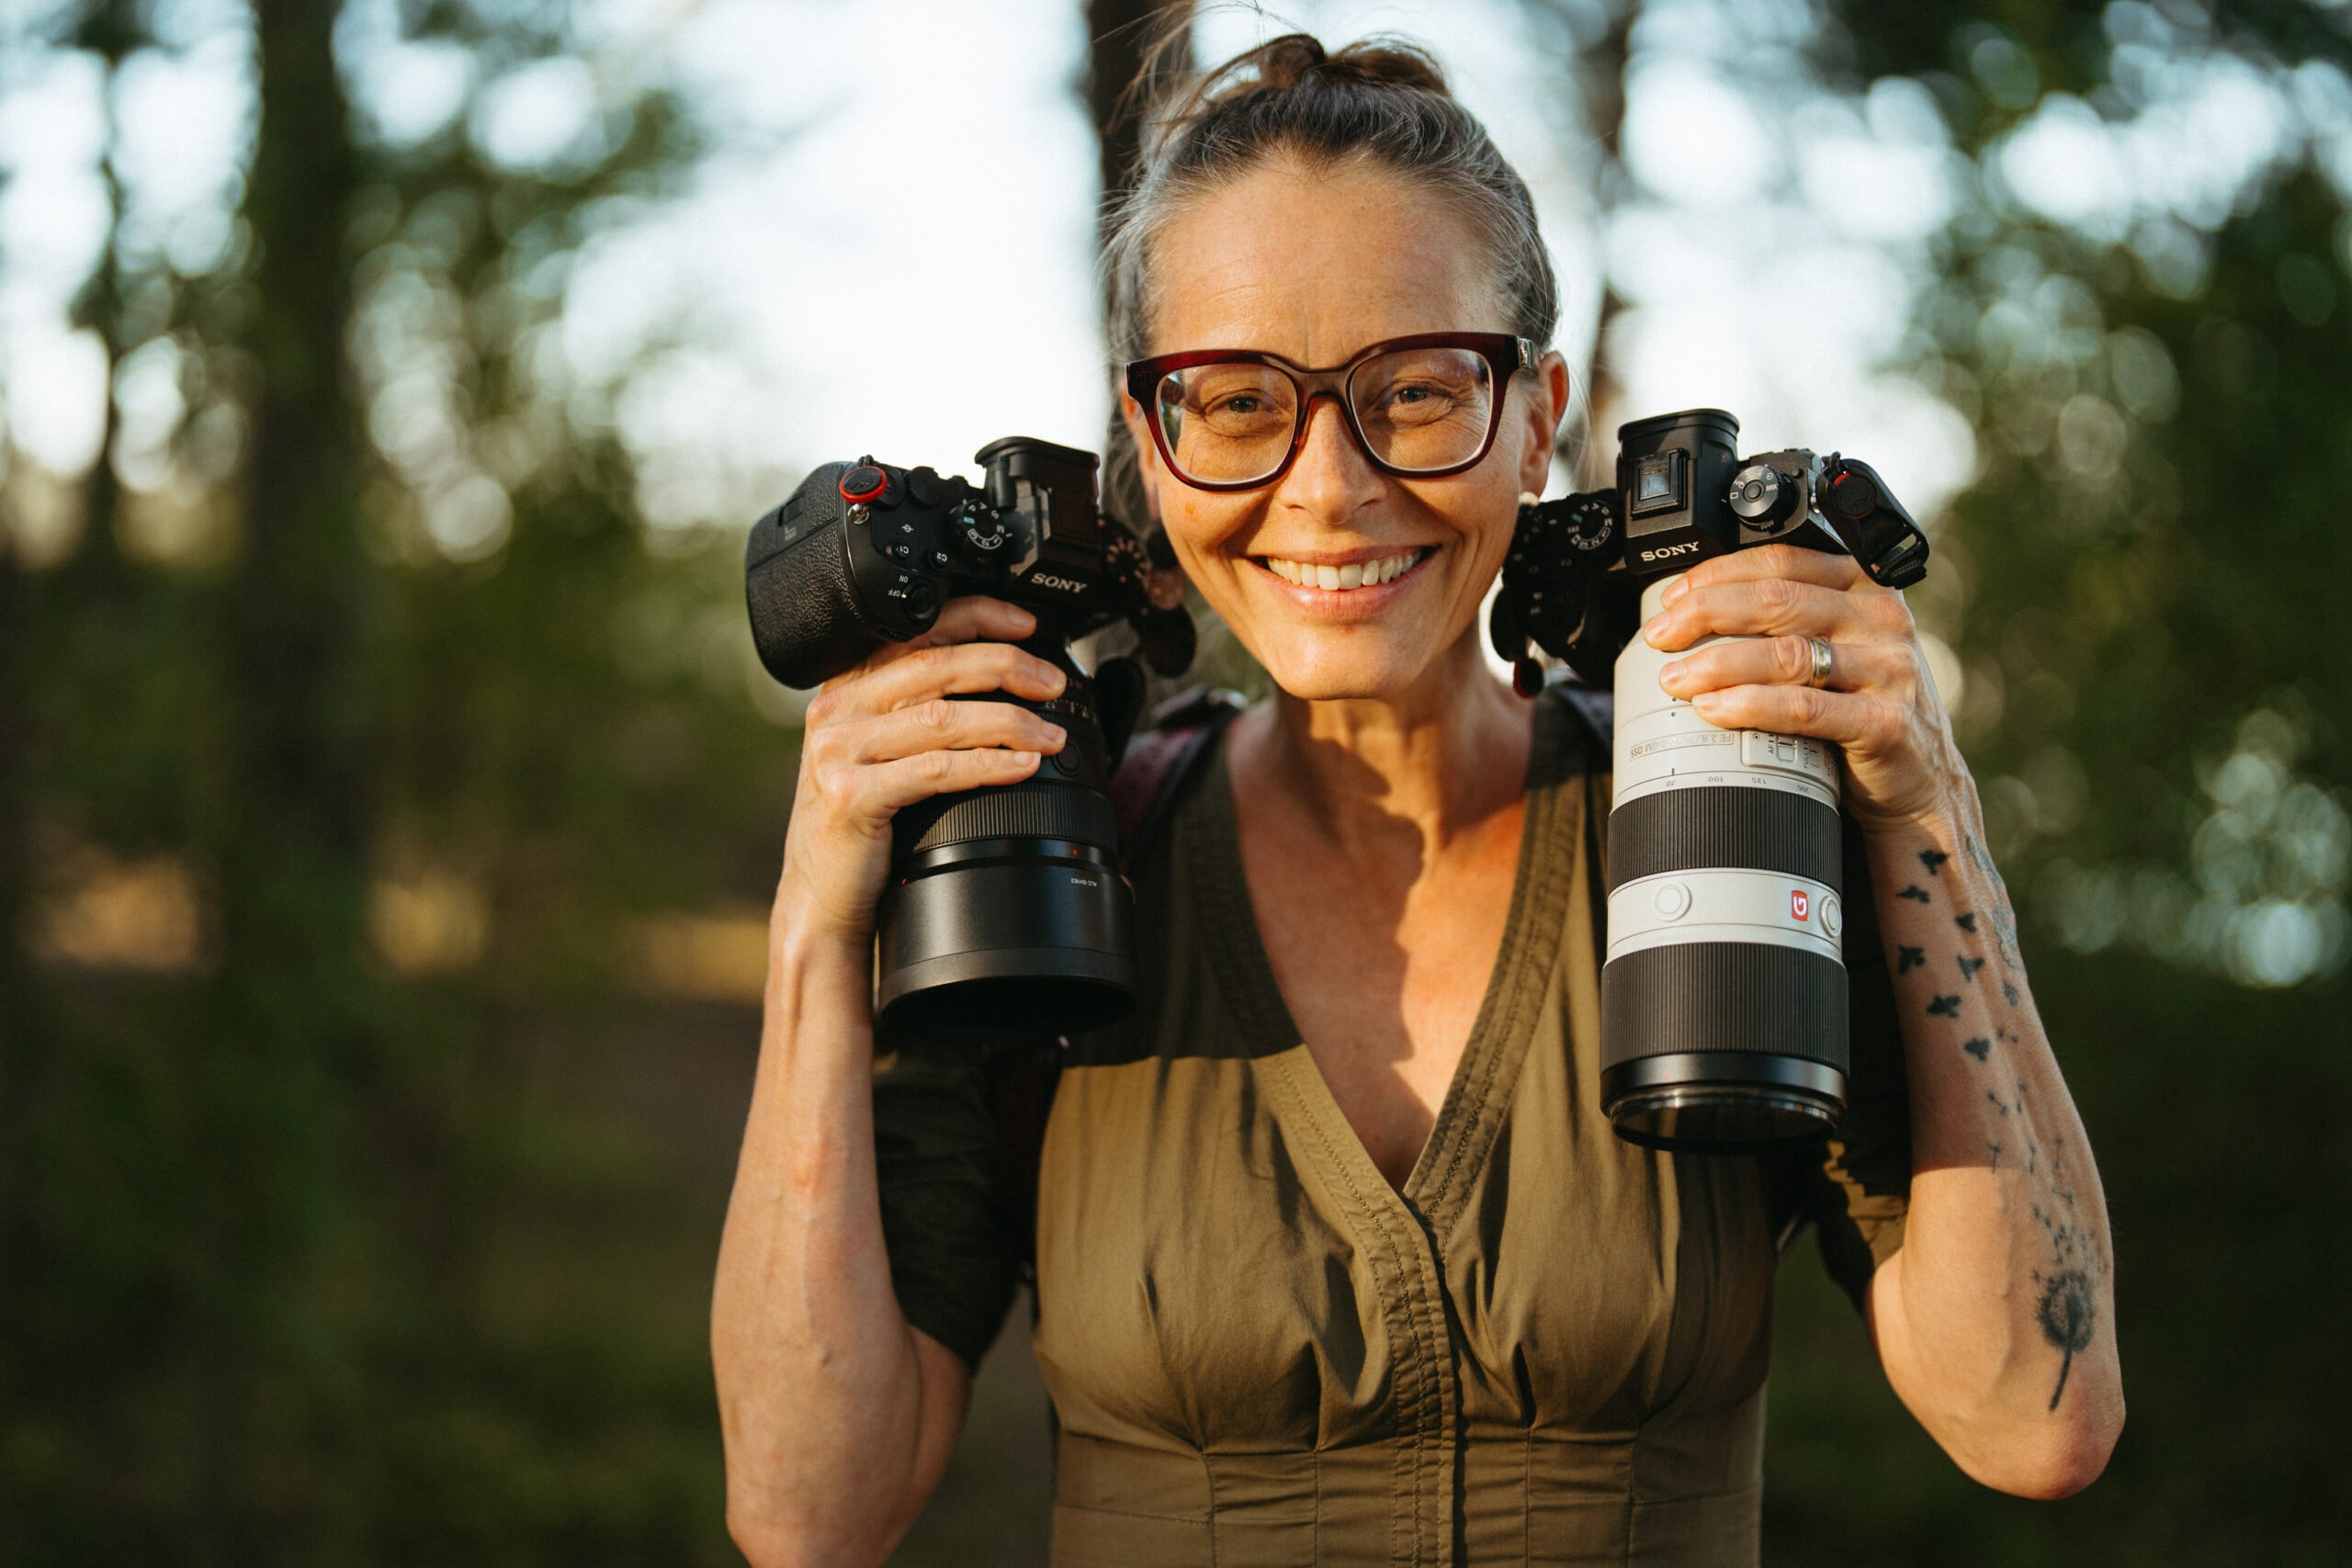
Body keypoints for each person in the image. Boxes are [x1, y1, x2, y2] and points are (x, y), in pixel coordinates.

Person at [710, 33, 2123, 1568]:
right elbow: (808, 1512)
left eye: (1418, 387)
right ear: (1148, 443)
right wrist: (820, 909)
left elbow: (2031, 1417)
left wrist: (1927, 810)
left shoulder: (1727, 833)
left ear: (1539, 416)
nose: (1329, 485)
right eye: (1238, 400)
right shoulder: (1057, 863)